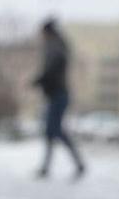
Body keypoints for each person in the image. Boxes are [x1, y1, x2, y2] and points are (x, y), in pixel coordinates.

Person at [33, 19, 86, 179]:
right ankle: (48, 167)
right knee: (52, 131)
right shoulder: (57, 44)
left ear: (47, 32)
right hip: (55, 94)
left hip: (58, 94)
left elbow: (53, 67)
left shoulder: (55, 46)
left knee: (55, 131)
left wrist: (41, 79)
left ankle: (76, 164)